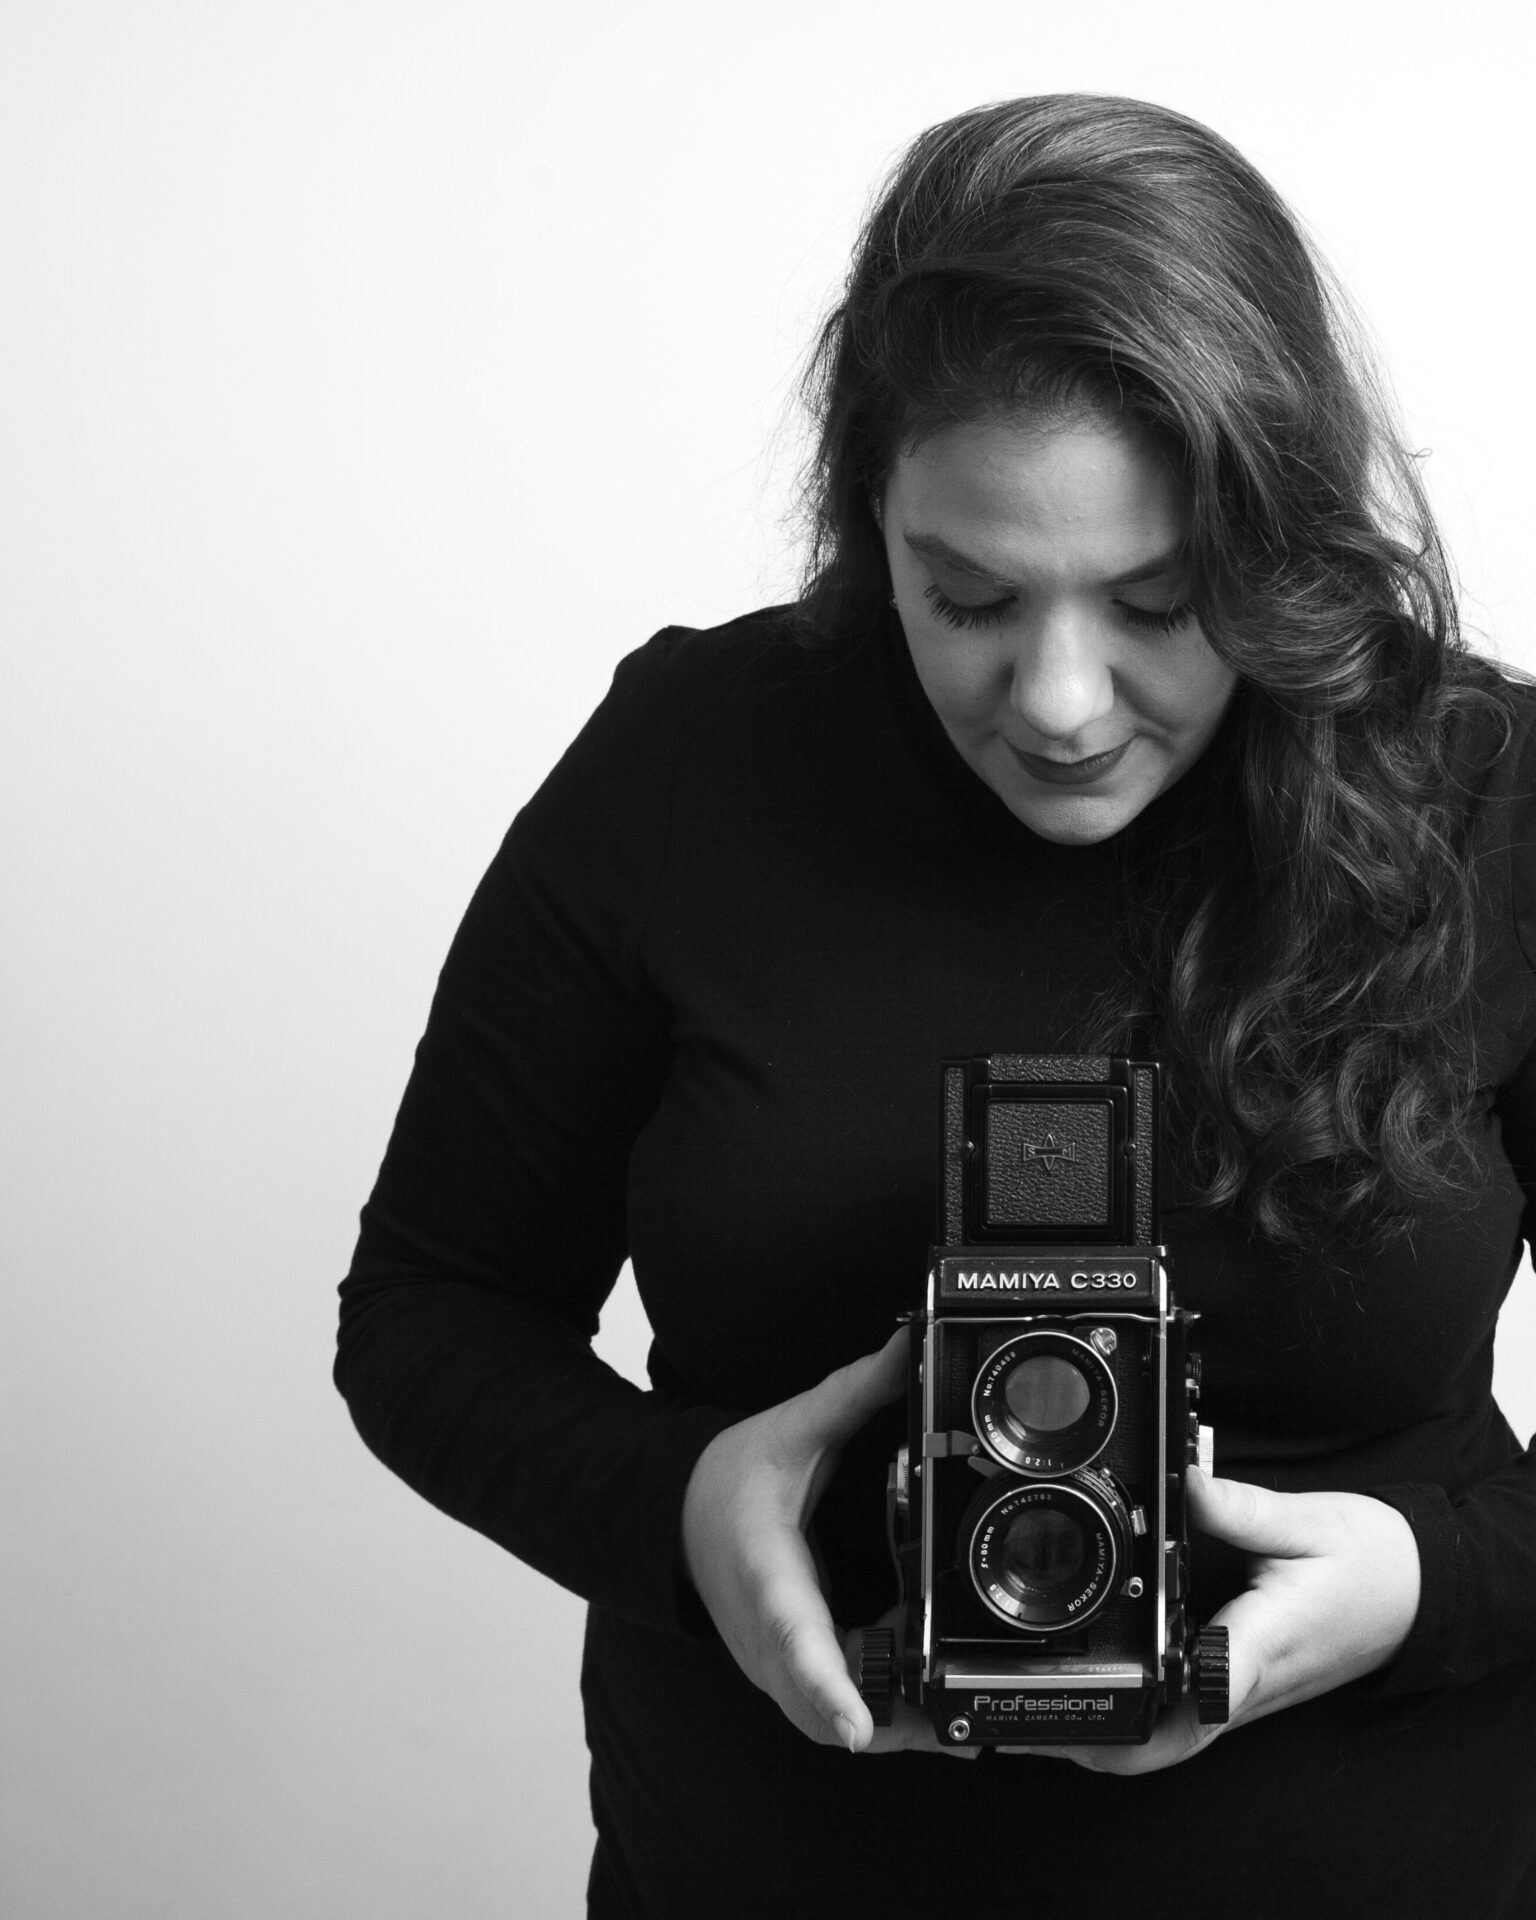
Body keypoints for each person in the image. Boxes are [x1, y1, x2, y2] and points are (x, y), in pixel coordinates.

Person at [335, 94, 1536, 1917]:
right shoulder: (692, 764)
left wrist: (1424, 1588)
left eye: (1158, 597)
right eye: (966, 594)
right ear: (865, 517)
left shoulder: (1486, 793)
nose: (1062, 698)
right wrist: (684, 1510)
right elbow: (426, 1317)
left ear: (1276, 536)